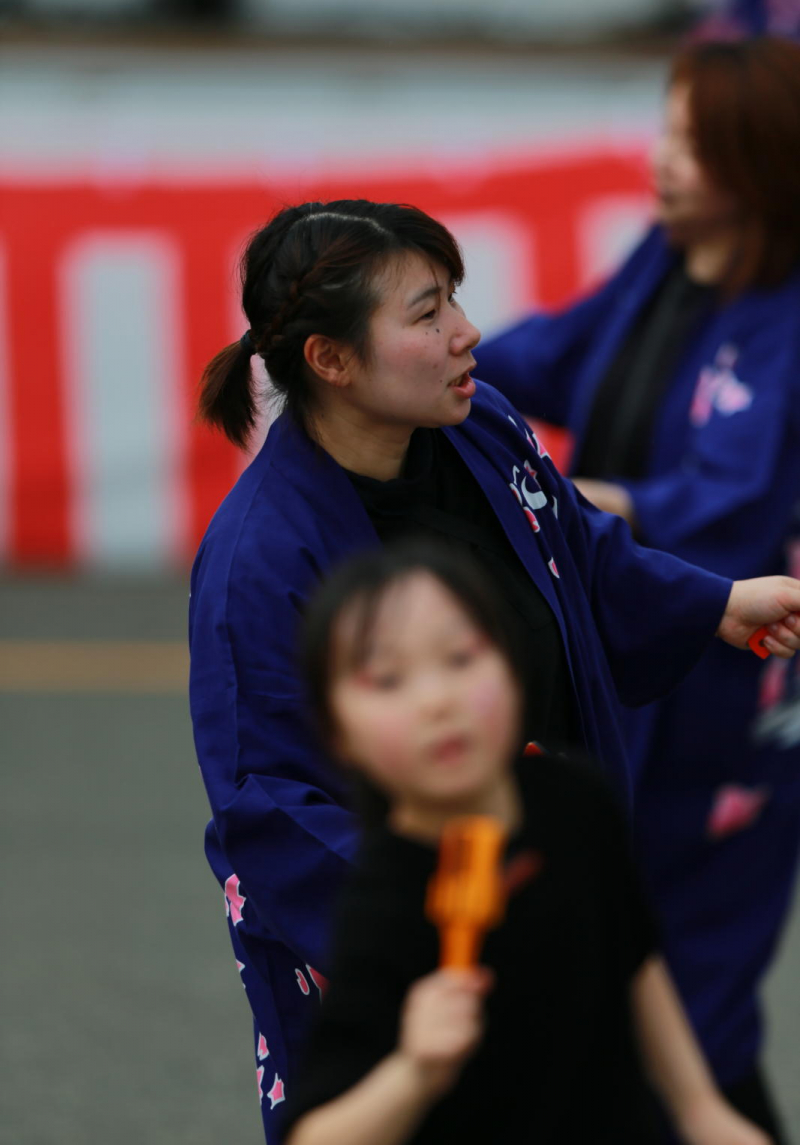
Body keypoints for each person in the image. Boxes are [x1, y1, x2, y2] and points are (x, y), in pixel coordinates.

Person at [188, 197, 800, 1142]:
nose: (469, 334)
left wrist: (714, 605)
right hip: (410, 958)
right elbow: (266, 803)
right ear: (332, 360)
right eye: (428, 314)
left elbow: (577, 546)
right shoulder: (259, 563)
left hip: (539, 885)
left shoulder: (478, 426)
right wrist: (432, 927)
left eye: (455, 302)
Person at [474, 37, 800, 1139]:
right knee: (624, 978)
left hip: (732, 699)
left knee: (683, 992)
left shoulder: (786, 316)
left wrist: (559, 504)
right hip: (624, 662)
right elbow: (548, 356)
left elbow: (728, 507)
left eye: (696, 141)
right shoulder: (662, 259)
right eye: (664, 129)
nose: (665, 159)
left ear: (766, 157)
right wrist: (424, 358)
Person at [283, 541, 771, 1145]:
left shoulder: (574, 798)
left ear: (514, 670)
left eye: (461, 658)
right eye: (387, 679)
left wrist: (700, 1110)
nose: (438, 701)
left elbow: (633, 959)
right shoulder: (381, 901)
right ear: (338, 737)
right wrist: (414, 1070)